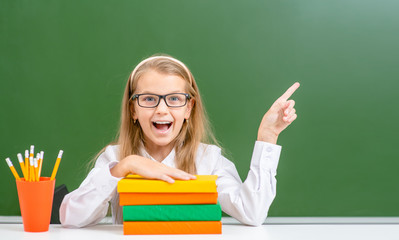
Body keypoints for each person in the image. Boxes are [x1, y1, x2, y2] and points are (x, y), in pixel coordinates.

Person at [59, 54, 300, 227]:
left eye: (174, 99)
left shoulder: (208, 159)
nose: (162, 110)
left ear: (189, 108)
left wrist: (268, 136)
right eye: (149, 99)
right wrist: (125, 166)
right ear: (133, 109)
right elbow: (70, 217)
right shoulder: (115, 158)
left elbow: (252, 212)